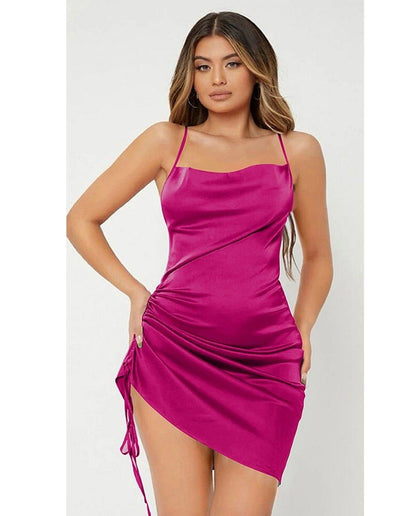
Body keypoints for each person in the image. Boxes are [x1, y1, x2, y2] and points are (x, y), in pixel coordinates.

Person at [67, 10, 333, 516]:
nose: (217, 79)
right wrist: (136, 292)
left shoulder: (297, 151)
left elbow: (319, 256)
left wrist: (302, 328)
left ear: (257, 69)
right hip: (173, 351)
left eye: (232, 63)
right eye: (203, 66)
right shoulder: (165, 141)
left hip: (265, 361)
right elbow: (81, 219)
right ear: (189, 75)